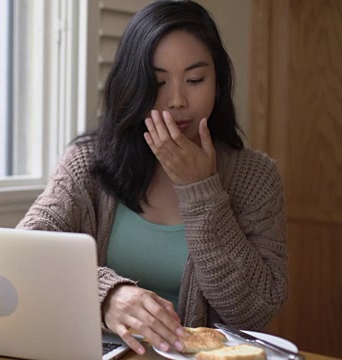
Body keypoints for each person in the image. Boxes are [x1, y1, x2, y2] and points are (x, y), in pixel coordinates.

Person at [16, 0, 288, 355]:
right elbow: (25, 256)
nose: (176, 100)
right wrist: (106, 296)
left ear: (218, 83)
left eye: (195, 79)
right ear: (132, 86)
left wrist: (201, 191)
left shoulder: (256, 177)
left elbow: (254, 310)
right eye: (158, 82)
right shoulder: (88, 163)